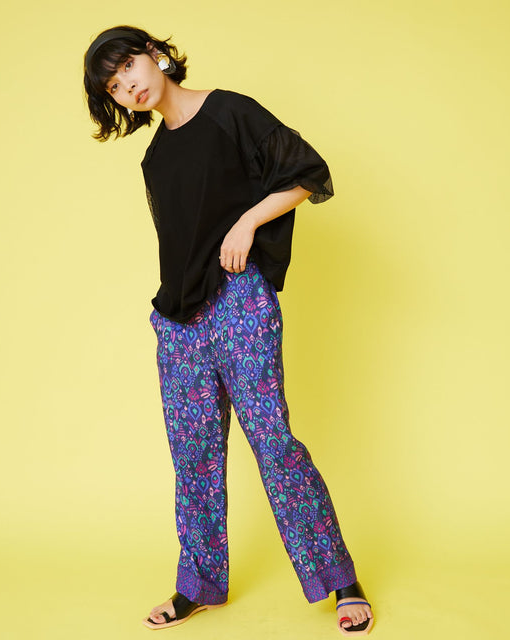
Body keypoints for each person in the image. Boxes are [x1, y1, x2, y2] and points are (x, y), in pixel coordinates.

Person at [83, 25, 374, 635]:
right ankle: (199, 585)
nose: (127, 86)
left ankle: (339, 579)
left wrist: (248, 223)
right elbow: (178, 244)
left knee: (273, 441)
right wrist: (168, 320)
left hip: (239, 301)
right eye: (113, 86)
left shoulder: (229, 112)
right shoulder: (155, 158)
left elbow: (308, 172)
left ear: (155, 55)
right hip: (178, 322)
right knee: (192, 455)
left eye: (129, 65)